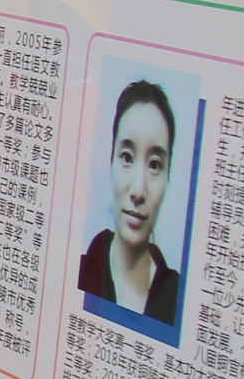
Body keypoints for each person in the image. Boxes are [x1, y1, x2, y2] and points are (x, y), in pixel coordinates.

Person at [75, 79, 184, 331]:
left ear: (168, 176)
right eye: (127, 157)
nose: (137, 190)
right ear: (111, 162)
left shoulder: (177, 300)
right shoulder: (77, 272)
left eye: (155, 164)